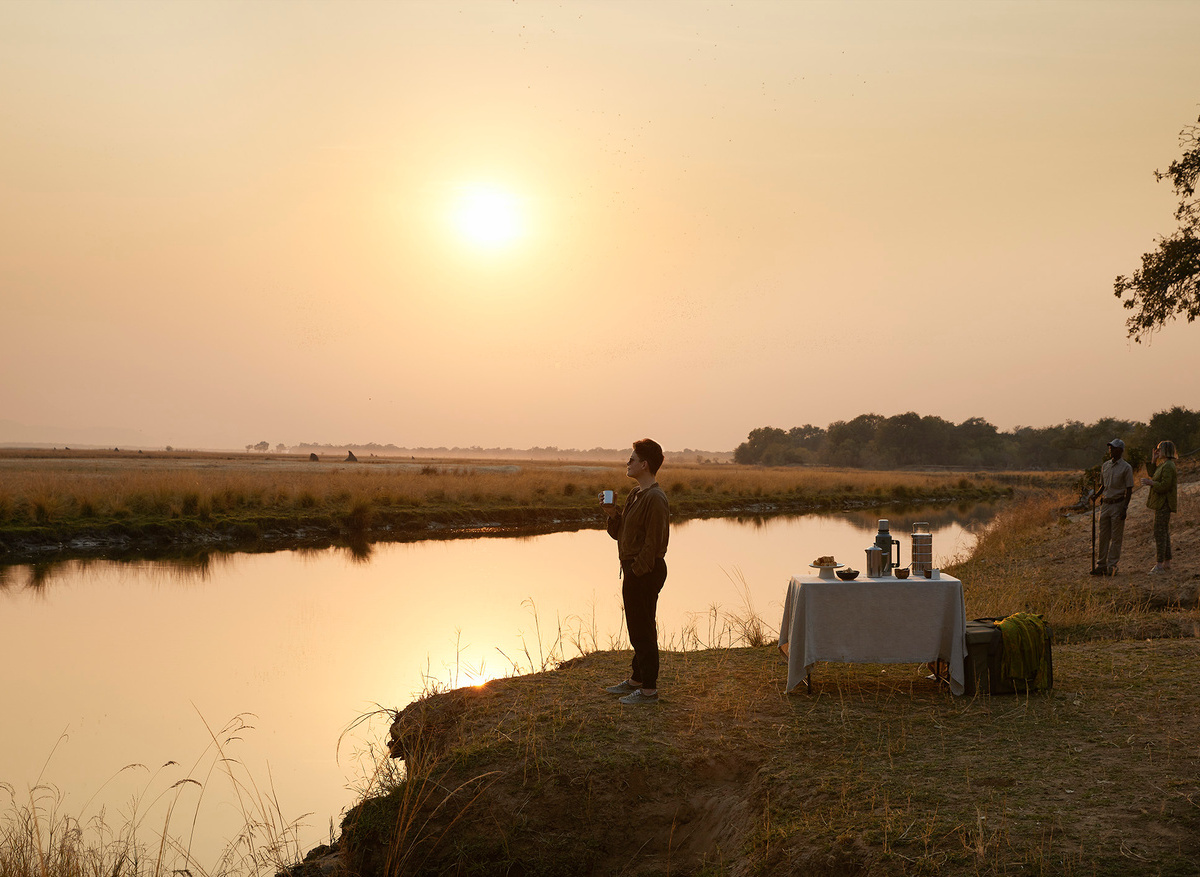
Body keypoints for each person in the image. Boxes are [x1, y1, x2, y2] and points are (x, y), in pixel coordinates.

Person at [600, 438, 670, 705]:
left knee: (642, 629)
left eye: (632, 459)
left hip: (646, 570)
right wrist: (611, 513)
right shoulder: (635, 494)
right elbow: (620, 534)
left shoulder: (656, 498)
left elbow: (655, 543)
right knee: (638, 626)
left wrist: (637, 571)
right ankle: (637, 679)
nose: (627, 463)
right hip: (635, 568)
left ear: (644, 464)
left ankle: (649, 690)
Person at [1093, 438, 1135, 576]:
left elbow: (1129, 489)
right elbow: (1103, 485)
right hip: (1105, 504)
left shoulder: (1126, 468)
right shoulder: (1105, 465)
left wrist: (1124, 508)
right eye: (1110, 447)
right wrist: (1096, 495)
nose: (1110, 450)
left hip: (1118, 504)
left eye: (1114, 448)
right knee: (1103, 536)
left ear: (1121, 450)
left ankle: (1112, 566)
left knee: (1116, 537)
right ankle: (1101, 564)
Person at [1141, 440, 1178, 573]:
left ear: (1166, 450)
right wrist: (1153, 460)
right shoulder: (1164, 464)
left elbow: (1164, 486)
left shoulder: (1168, 466)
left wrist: (1151, 483)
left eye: (1159, 449)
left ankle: (1159, 565)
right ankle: (1166, 562)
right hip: (1161, 503)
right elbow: (1153, 474)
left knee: (1159, 533)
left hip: (1164, 503)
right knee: (1164, 532)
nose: (1157, 451)